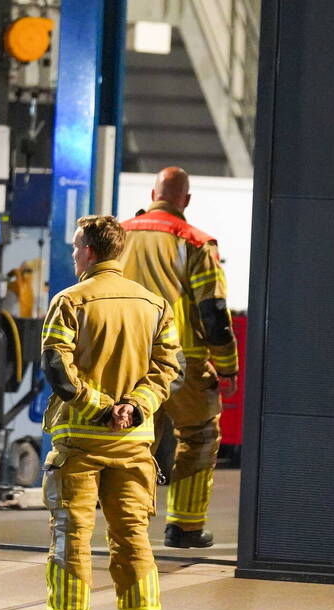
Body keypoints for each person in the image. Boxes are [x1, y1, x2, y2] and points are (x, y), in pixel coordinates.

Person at [29, 215, 184, 610]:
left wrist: (100, 407)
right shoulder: (156, 306)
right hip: (134, 443)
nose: (74, 253)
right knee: (133, 534)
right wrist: (133, 407)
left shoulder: (69, 302)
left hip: (80, 442)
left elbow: (58, 369)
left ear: (91, 252)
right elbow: (167, 371)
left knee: (72, 533)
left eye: (77, 246)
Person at [118, 166, 239, 549]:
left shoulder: (118, 236)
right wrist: (227, 365)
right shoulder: (196, 242)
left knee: (134, 442)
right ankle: (184, 528)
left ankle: (127, 526)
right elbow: (214, 311)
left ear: (153, 194)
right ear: (185, 200)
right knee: (198, 436)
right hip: (181, 361)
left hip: (128, 361)